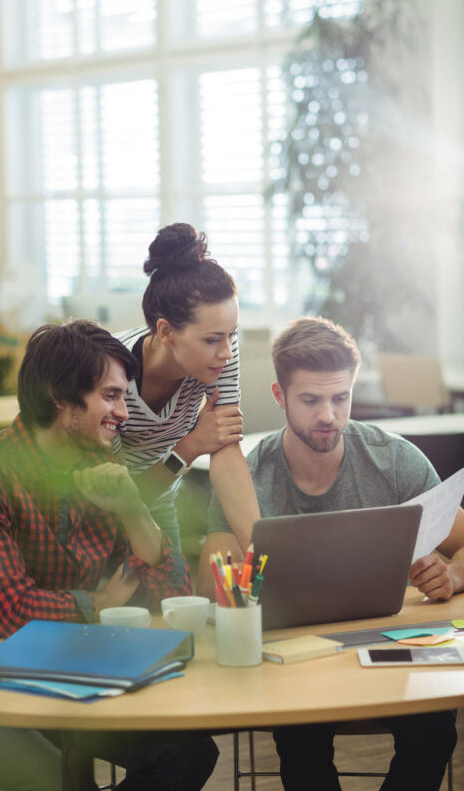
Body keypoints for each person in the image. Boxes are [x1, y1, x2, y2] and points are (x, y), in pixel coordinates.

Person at [0, 320, 218, 791]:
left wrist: (134, 509)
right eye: (110, 396)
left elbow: (171, 595)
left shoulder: (102, 468)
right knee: (65, 783)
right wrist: (95, 607)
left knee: (190, 753)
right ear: (59, 396)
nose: (124, 413)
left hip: (70, 679)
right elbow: (7, 608)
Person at [199, 315, 464, 791]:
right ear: (280, 397)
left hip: (385, 648)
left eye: (340, 398)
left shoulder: (393, 459)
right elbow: (211, 583)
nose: (328, 415)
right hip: (293, 658)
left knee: (435, 730)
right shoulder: (249, 478)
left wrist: (456, 575)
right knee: (300, 742)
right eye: (310, 400)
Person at [114, 222, 260, 552]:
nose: (226, 352)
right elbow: (119, 499)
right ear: (165, 332)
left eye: (232, 334)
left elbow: (225, 448)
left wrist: (261, 551)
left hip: (163, 505)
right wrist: (192, 445)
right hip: (102, 518)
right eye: (212, 339)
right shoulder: (109, 373)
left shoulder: (219, 352)